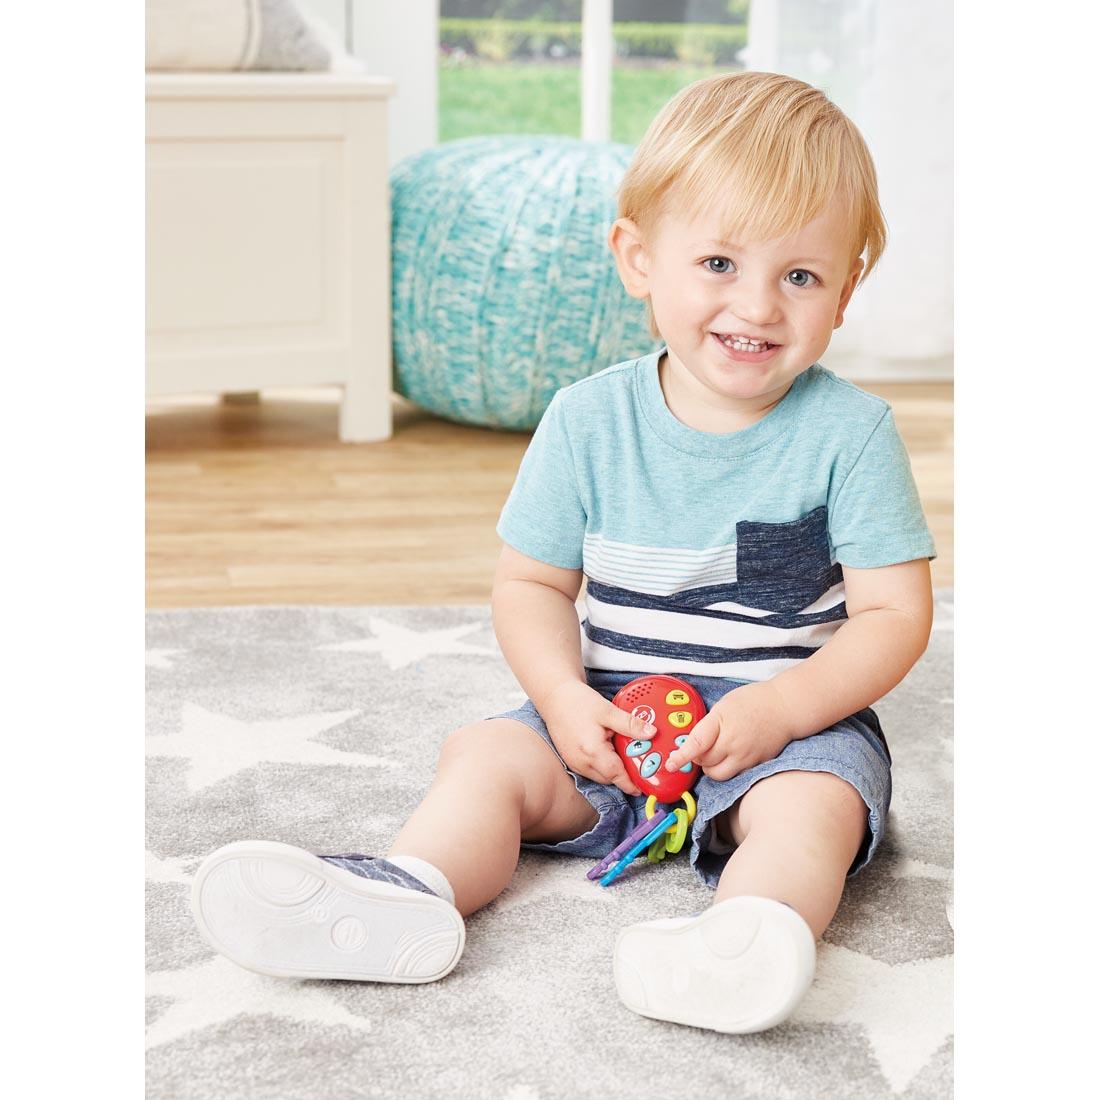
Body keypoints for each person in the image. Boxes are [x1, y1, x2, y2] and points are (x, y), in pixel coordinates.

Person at [191, 71, 935, 1035]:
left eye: (800, 276)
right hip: (608, 721)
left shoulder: (852, 433)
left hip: (790, 727)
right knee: (485, 754)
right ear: (638, 258)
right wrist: (559, 700)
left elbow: (895, 615)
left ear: (844, 291)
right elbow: (532, 585)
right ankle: (406, 893)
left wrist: (784, 708)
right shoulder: (586, 421)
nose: (756, 306)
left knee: (813, 814)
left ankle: (747, 939)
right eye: (717, 262)